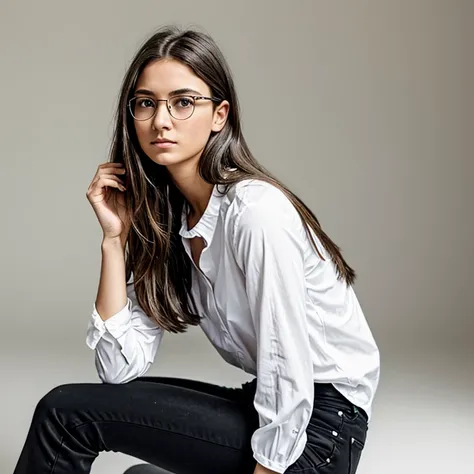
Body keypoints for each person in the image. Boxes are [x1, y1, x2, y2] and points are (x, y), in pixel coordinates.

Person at [13, 26, 380, 474]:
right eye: (146, 103)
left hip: (318, 433)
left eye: (183, 102)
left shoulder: (255, 212)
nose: (161, 120)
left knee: (64, 413)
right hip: (270, 407)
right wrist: (114, 241)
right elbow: (116, 370)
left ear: (220, 115)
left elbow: (287, 366)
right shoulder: (174, 221)